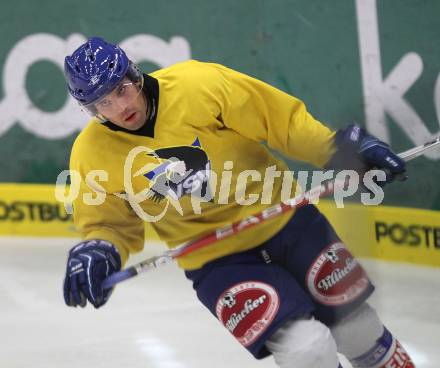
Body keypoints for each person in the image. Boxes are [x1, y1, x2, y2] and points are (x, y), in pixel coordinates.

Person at [62, 37, 415, 368]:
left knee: (357, 329)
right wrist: (100, 247)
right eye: (103, 103)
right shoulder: (91, 153)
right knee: (307, 349)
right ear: (90, 109)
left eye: (122, 90)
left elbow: (281, 122)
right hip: (215, 260)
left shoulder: (198, 85)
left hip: (288, 222)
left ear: (134, 74)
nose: (121, 106)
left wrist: (336, 148)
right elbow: (108, 221)